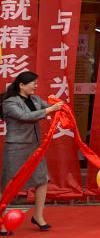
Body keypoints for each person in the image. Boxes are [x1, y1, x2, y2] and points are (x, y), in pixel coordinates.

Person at [0, 71, 63, 233]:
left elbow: (48, 108)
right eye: (33, 83)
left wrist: (59, 107)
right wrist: (50, 110)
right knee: (8, 185)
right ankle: (1, 220)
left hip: (35, 147)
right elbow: (25, 116)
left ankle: (38, 216)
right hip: (16, 147)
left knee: (42, 180)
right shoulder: (9, 103)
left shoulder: (35, 99)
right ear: (22, 85)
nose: (36, 86)